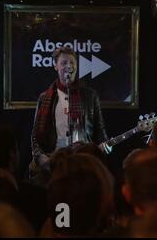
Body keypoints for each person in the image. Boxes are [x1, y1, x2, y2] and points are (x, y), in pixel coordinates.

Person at [30, 47, 108, 180]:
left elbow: (100, 132)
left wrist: (105, 147)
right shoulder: (45, 98)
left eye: (72, 63)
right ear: (55, 66)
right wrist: (41, 158)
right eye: (64, 63)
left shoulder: (90, 96)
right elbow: (35, 136)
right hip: (52, 163)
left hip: (82, 163)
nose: (69, 66)